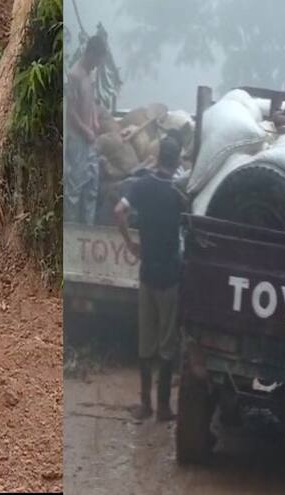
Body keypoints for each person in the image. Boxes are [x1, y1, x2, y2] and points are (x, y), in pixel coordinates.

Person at [115, 134, 188, 421]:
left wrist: (130, 244)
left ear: (157, 157)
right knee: (167, 345)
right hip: (170, 277)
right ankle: (165, 408)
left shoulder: (141, 186)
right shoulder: (179, 194)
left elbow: (118, 211)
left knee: (145, 342)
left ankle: (145, 404)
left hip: (147, 273)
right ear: (179, 159)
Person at [65, 35, 108, 225]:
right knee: (75, 189)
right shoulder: (74, 75)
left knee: (92, 187)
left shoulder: (90, 74)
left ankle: (88, 229)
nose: (97, 66)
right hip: (78, 139)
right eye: (97, 61)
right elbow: (71, 112)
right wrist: (85, 130)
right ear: (90, 54)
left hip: (91, 140)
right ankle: (72, 232)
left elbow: (91, 103)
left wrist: (95, 120)